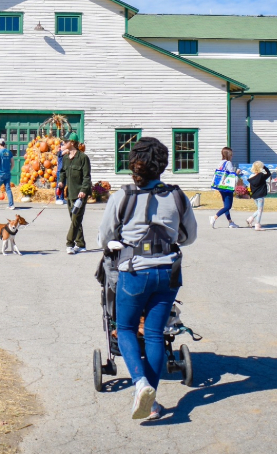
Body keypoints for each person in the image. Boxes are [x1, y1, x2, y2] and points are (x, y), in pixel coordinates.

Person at [98, 137, 197, 420]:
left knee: (126, 328)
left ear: (134, 164)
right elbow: (189, 237)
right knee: (155, 334)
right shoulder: (177, 196)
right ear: (162, 165)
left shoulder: (123, 196)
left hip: (134, 271)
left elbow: (104, 237)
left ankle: (140, 383)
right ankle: (151, 404)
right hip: (168, 272)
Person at [61, 132, 92, 254]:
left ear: (72, 143)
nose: (63, 143)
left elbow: (87, 177)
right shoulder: (65, 158)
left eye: (66, 141)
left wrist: (84, 190)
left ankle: (69, 244)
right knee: (75, 220)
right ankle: (81, 244)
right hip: (70, 193)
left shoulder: (83, 158)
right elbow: (63, 172)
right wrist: (61, 182)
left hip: (80, 195)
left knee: (75, 219)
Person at [209, 147, 240, 228]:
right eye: (231, 154)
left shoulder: (221, 163)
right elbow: (232, 175)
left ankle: (230, 222)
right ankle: (214, 217)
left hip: (220, 186)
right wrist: (237, 173)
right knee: (228, 206)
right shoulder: (228, 163)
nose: (232, 156)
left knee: (226, 206)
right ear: (228, 155)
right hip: (227, 187)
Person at [245, 161, 271, 231]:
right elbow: (269, 174)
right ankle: (257, 225)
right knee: (260, 210)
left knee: (259, 209)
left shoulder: (251, 177)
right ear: (260, 167)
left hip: (254, 196)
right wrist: (265, 167)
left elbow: (250, 187)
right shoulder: (261, 176)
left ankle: (250, 219)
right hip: (260, 195)